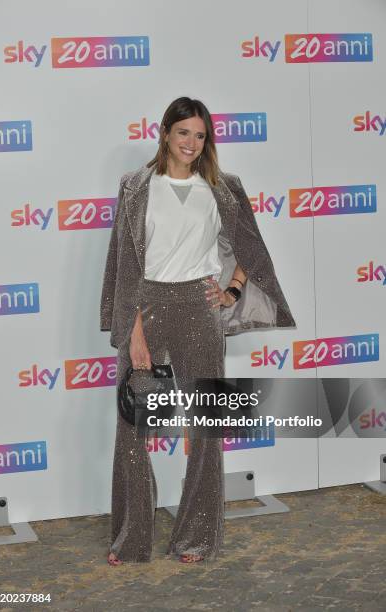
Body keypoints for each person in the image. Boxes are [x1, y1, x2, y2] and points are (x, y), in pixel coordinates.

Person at [100, 96, 296, 565]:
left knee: (207, 428)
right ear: (165, 132)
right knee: (133, 427)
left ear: (207, 141)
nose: (191, 143)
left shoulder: (224, 187)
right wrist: (134, 330)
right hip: (147, 306)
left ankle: (198, 536)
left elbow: (252, 249)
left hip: (198, 307)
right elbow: (125, 265)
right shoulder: (136, 187)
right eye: (183, 132)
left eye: (200, 135)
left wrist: (230, 292)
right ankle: (132, 537)